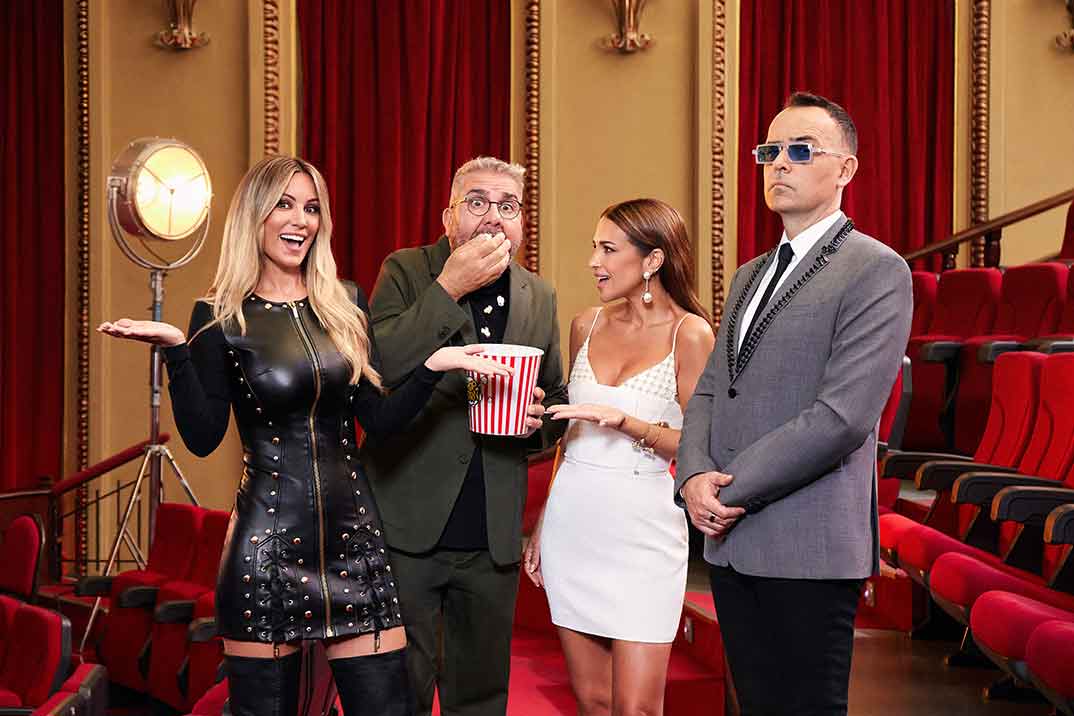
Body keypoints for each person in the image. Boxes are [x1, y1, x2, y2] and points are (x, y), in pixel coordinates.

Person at [97, 155, 513, 716]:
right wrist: (177, 350)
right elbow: (201, 437)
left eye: (312, 208)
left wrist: (434, 365)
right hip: (266, 550)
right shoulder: (219, 316)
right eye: (285, 205)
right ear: (255, 215)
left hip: (356, 546)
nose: (301, 220)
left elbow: (379, 419)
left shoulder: (345, 302)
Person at [675, 91, 913, 715]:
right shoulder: (748, 274)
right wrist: (692, 476)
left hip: (808, 541)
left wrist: (726, 490)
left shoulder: (876, 269)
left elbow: (843, 417)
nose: (779, 163)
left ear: (846, 169)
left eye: (801, 151)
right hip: (732, 541)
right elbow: (711, 389)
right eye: (770, 151)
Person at [361, 156, 568, 716]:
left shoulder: (538, 294)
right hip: (408, 524)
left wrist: (538, 423)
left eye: (508, 206)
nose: (494, 217)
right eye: (477, 203)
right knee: (397, 690)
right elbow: (380, 365)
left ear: (522, 223)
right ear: (448, 217)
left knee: (480, 695)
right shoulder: (407, 270)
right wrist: (449, 287)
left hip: (491, 532)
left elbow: (554, 397)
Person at [524, 198, 715, 716]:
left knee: (637, 708)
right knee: (593, 701)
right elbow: (569, 438)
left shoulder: (690, 334)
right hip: (573, 522)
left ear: (652, 260)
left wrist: (628, 423)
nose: (594, 262)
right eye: (594, 247)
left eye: (608, 249)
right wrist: (542, 522)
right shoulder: (585, 324)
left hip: (643, 532)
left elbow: (701, 444)